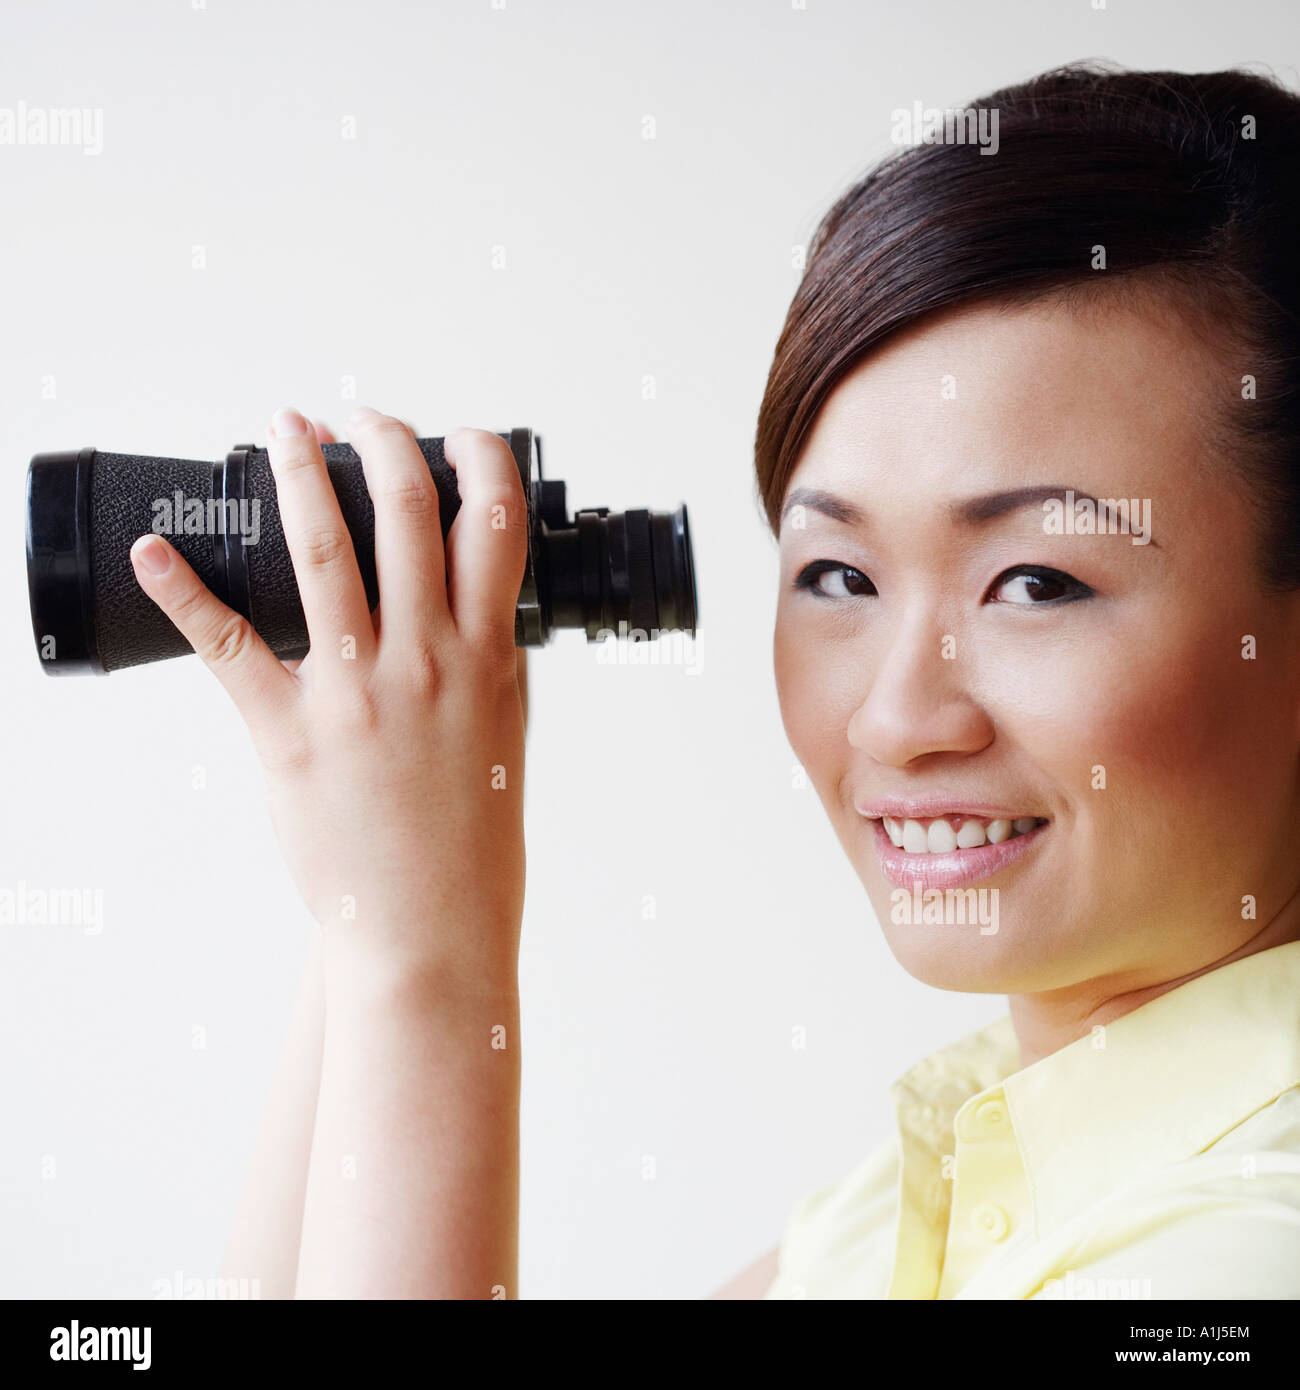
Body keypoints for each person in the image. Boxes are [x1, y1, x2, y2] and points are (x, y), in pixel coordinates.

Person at [132, 60, 1300, 1299]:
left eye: (1033, 583)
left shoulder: (1242, 1245)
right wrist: (370, 883)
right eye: (840, 575)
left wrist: (427, 962)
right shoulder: (922, 1195)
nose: (898, 719)